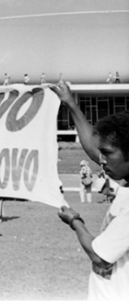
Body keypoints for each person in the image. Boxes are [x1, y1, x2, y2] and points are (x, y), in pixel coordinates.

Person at [52, 80, 129, 300]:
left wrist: (75, 220)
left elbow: (100, 257)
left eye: (108, 153)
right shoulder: (124, 178)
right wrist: (70, 103)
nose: (101, 160)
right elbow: (95, 150)